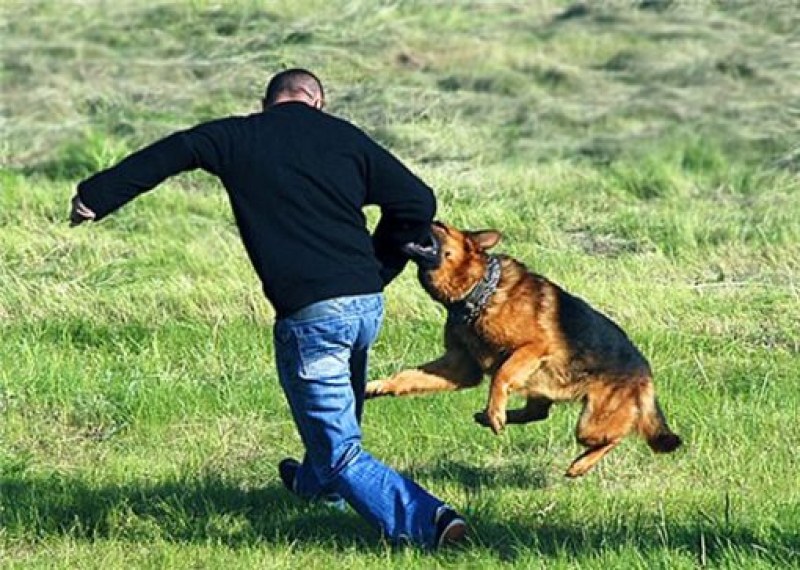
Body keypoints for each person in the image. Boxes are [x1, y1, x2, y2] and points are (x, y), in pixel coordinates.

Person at [69, 68, 466, 550]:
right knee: (337, 410)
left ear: (265, 103)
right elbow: (418, 200)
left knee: (340, 449)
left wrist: (96, 196)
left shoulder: (236, 136)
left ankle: (432, 523)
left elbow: (172, 152)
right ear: (318, 102)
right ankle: (314, 487)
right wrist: (378, 262)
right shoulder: (344, 136)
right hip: (365, 306)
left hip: (312, 315)